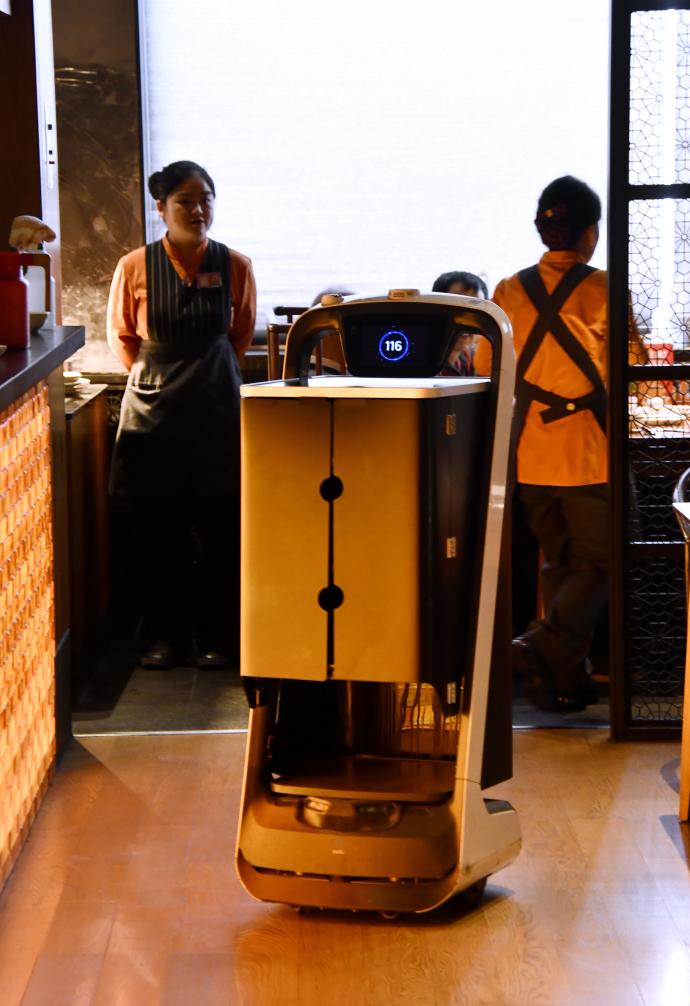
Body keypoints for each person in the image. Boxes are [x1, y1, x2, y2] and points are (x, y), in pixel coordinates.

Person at [107, 160, 257, 670]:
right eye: (185, 201)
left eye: (205, 200)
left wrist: (209, 372)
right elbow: (122, 337)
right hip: (154, 409)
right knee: (157, 529)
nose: (197, 210)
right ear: (161, 208)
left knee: (222, 526)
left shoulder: (235, 264)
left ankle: (218, 636)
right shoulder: (134, 265)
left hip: (217, 405)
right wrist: (159, 375)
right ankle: (162, 636)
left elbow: (241, 334)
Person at [474, 175, 607, 712]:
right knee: (601, 564)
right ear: (590, 233)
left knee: (558, 565)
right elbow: (629, 366)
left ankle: (563, 682)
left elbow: (486, 365)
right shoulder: (604, 289)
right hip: (588, 452)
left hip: (529, 452)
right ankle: (538, 647)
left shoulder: (509, 290)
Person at [432, 270, 489, 375]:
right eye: (457, 308)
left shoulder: (474, 359)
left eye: (477, 310)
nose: (467, 320)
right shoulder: (421, 362)